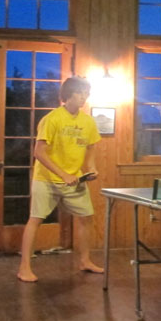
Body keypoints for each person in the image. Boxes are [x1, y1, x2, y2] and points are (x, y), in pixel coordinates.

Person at [16, 76, 103, 282]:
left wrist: (91, 168)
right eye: (80, 93)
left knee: (87, 217)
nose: (84, 97)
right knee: (36, 219)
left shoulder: (88, 121)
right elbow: (39, 152)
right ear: (68, 95)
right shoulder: (52, 119)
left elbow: (91, 147)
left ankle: (85, 260)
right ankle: (24, 268)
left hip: (75, 180)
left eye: (86, 93)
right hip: (46, 180)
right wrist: (63, 174)